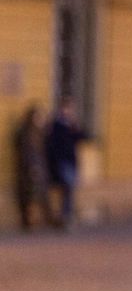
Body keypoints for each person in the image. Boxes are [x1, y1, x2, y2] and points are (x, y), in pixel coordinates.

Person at [12, 104, 56, 230]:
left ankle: (41, 219)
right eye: (39, 116)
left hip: (37, 167)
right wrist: (33, 167)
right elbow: (27, 152)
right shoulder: (27, 133)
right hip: (31, 169)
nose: (41, 119)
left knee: (38, 194)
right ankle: (29, 221)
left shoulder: (37, 131)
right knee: (30, 195)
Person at [45, 97, 86, 228]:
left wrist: (75, 126)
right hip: (62, 162)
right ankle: (65, 217)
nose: (70, 111)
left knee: (69, 190)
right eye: (68, 108)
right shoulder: (57, 125)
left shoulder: (70, 125)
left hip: (71, 161)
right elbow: (53, 145)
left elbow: (81, 137)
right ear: (62, 109)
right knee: (67, 189)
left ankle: (66, 216)